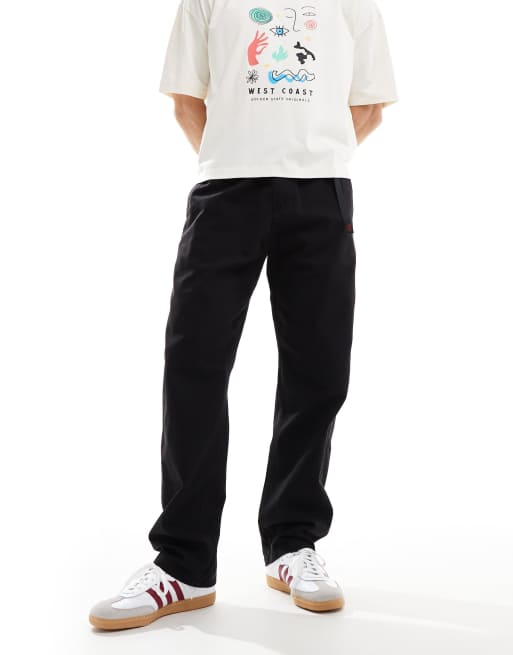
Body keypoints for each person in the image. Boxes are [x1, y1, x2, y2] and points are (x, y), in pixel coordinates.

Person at [89, 0, 398, 630]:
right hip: (225, 193)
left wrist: (306, 159)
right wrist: (239, 162)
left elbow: (368, 107)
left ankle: (292, 544)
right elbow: (187, 102)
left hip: (322, 194)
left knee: (319, 372)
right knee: (194, 366)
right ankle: (183, 564)